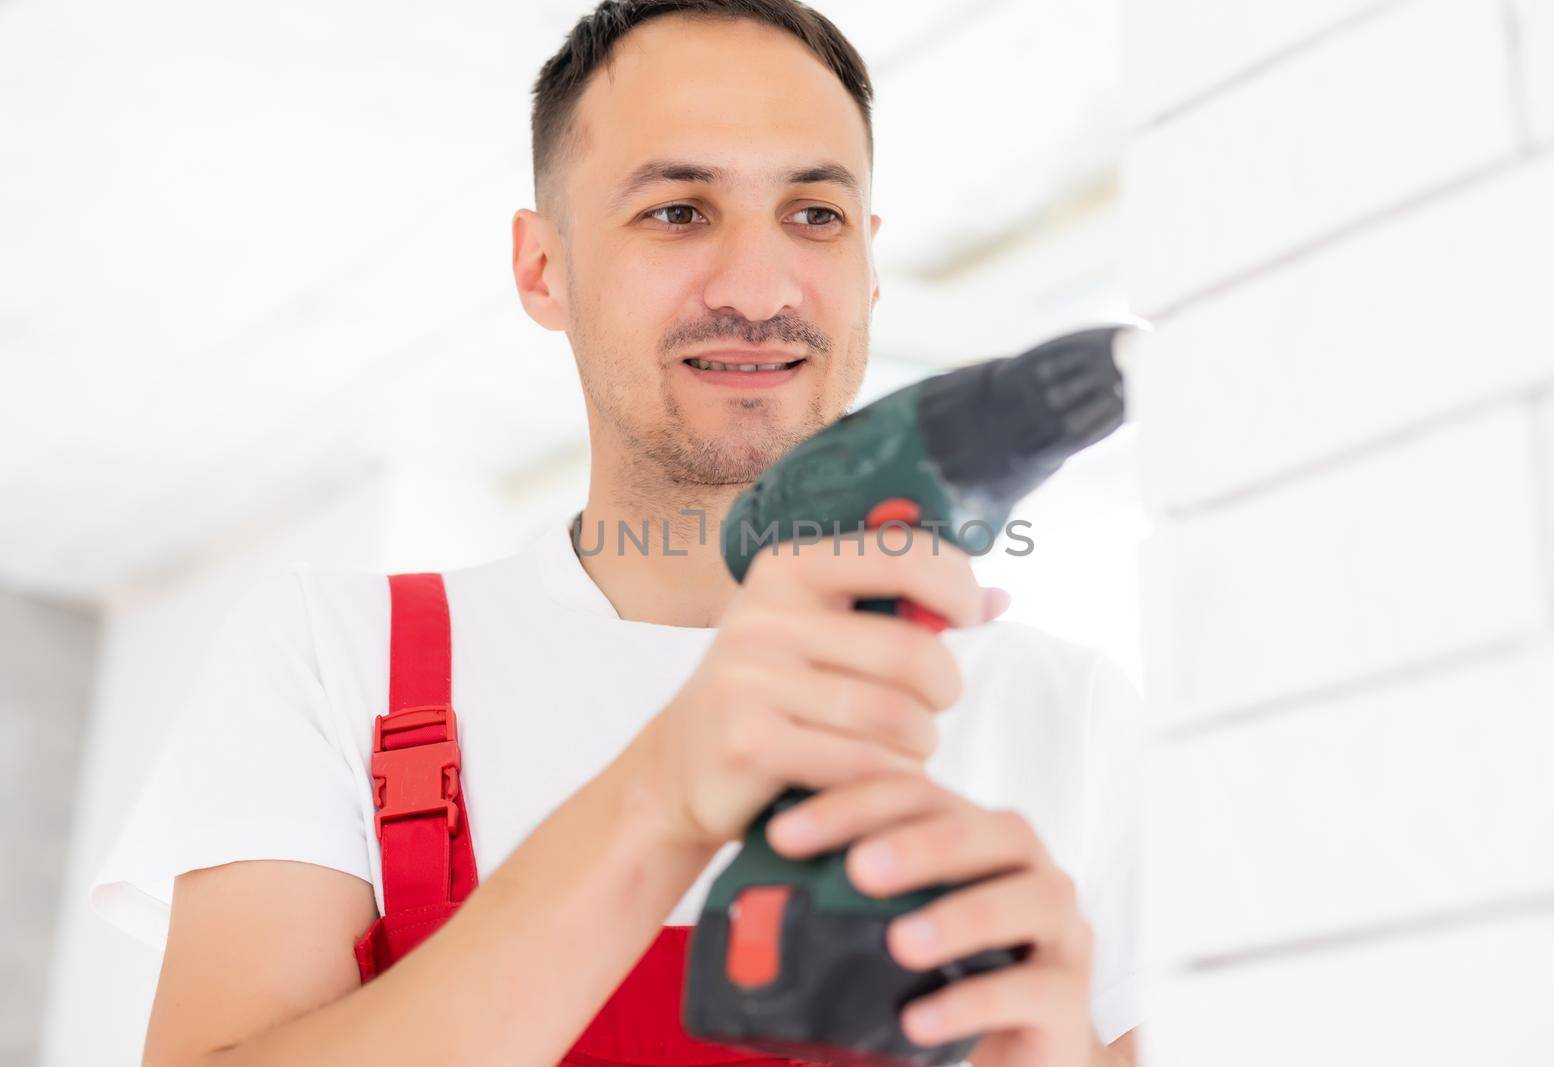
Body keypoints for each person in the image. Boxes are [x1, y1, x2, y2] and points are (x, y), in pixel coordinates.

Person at [90, 2, 1144, 1064]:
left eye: (814, 213)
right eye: (678, 211)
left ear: (870, 264)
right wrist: (658, 794)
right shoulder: (341, 655)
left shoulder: (1073, 720)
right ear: (543, 267)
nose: (756, 288)